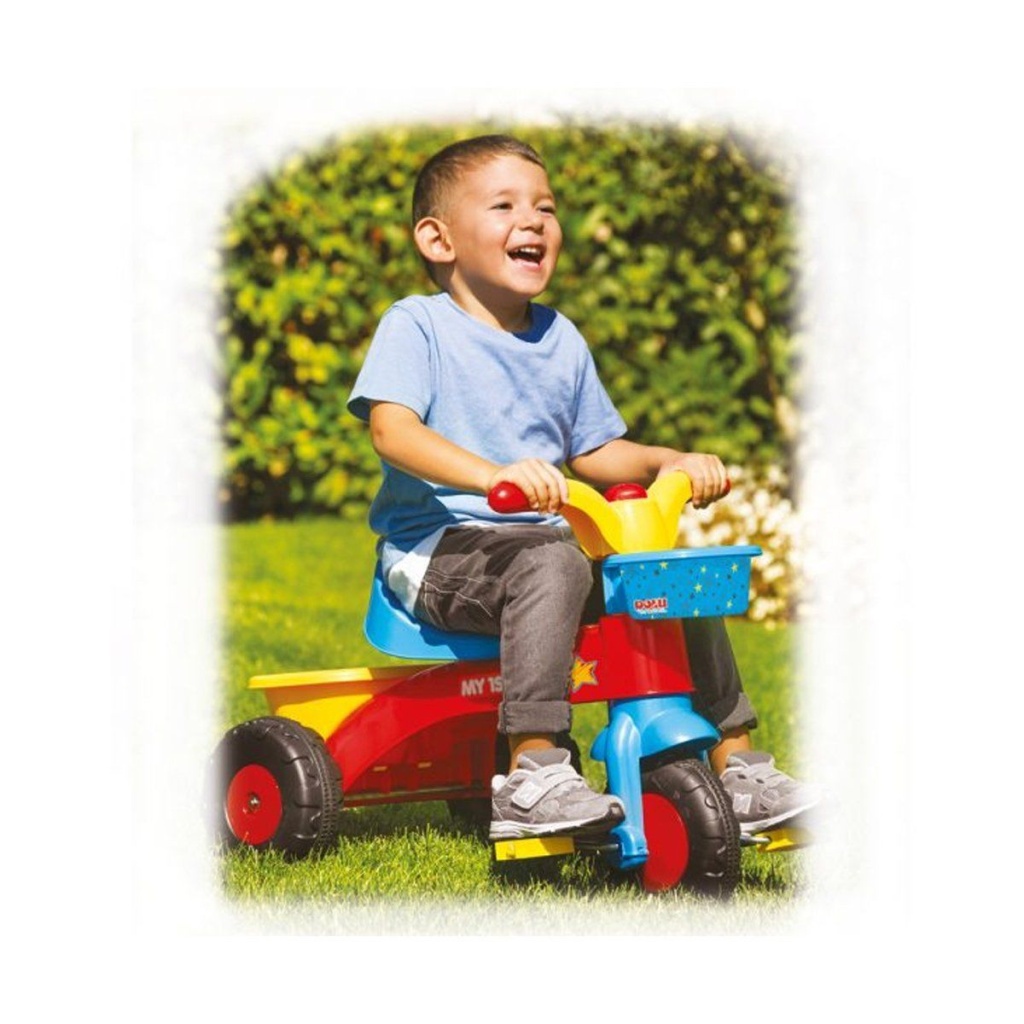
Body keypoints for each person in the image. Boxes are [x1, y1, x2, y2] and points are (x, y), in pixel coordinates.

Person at [348, 134, 818, 840]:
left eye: (545, 207)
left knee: (663, 577)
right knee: (553, 561)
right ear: (438, 240)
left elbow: (594, 451)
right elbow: (393, 431)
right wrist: (492, 475)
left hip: (543, 552)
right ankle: (533, 772)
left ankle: (739, 766)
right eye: (504, 206)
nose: (532, 221)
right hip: (437, 553)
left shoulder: (559, 338)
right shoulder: (417, 325)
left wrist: (668, 461)